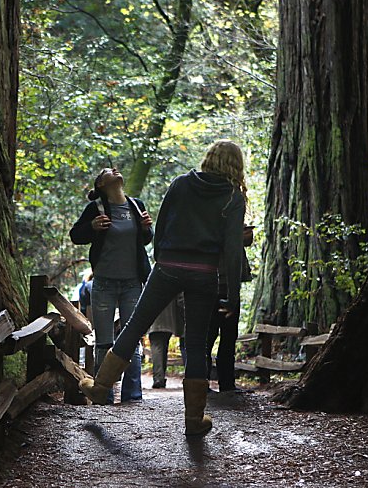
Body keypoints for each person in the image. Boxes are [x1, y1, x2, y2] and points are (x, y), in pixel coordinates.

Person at [80, 139, 246, 436]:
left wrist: (161, 257)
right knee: (196, 344)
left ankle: (100, 386)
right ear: (236, 165)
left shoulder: (181, 184)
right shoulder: (233, 198)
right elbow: (233, 251)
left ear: (208, 158)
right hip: (204, 274)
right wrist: (231, 296)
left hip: (168, 267)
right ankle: (194, 420)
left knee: (135, 326)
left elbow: (162, 223)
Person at [69, 167, 153, 403]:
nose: (114, 170)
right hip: (103, 283)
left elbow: (145, 240)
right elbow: (76, 235)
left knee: (131, 339)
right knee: (104, 341)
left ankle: (133, 395)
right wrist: (91, 227)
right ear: (101, 185)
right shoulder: (95, 209)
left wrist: (147, 228)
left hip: (132, 284)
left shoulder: (136, 205)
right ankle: (103, 394)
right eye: (107, 171)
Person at [206, 224, 254, 394]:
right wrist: (234, 234)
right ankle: (202, 383)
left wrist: (245, 235)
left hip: (232, 285)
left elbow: (245, 242)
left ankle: (227, 384)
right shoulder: (208, 214)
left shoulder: (233, 211)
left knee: (229, 336)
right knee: (208, 335)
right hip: (212, 284)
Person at [147, 295, 185, 389]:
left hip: (153, 317)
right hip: (169, 317)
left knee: (157, 345)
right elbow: (180, 299)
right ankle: (160, 378)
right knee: (163, 345)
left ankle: (158, 378)